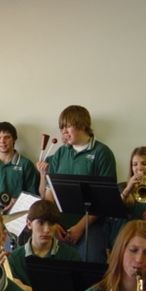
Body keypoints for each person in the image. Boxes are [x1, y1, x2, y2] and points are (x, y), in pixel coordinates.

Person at [36, 105, 116, 263]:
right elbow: (47, 195)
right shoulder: (60, 153)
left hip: (91, 225)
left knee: (91, 265)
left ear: (82, 124)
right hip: (60, 224)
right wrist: (54, 223)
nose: (64, 132)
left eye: (68, 126)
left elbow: (104, 200)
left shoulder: (102, 153)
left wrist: (80, 228)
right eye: (62, 128)